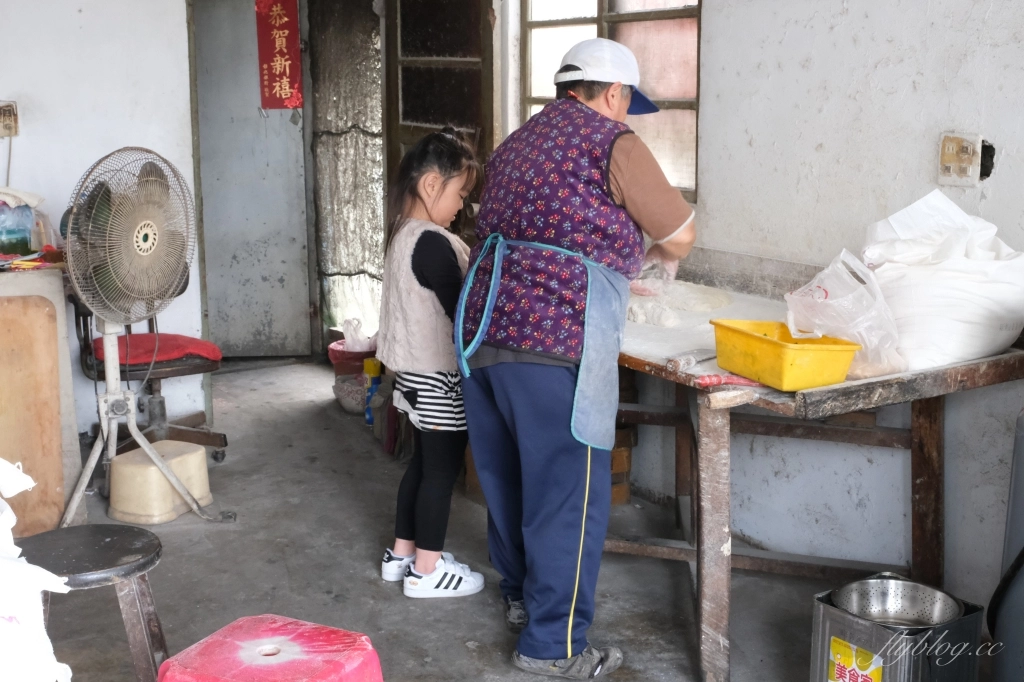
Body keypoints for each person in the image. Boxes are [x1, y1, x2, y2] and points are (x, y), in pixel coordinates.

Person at [454, 39, 697, 677]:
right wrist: (657, 258)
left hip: (485, 332)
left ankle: (519, 598)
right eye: (625, 103)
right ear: (613, 94)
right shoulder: (612, 142)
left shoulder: (518, 141)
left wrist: (616, 260)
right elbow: (682, 233)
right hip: (556, 338)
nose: (626, 114)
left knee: (507, 477)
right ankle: (552, 646)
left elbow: (538, 231)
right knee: (569, 493)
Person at [376, 126, 487, 599]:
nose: (462, 205)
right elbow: (461, 311)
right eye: (460, 193)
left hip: (413, 377)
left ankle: (402, 554)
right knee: (441, 472)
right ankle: (428, 569)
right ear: (431, 186)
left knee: (422, 467)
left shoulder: (403, 234)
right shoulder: (432, 242)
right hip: (438, 379)